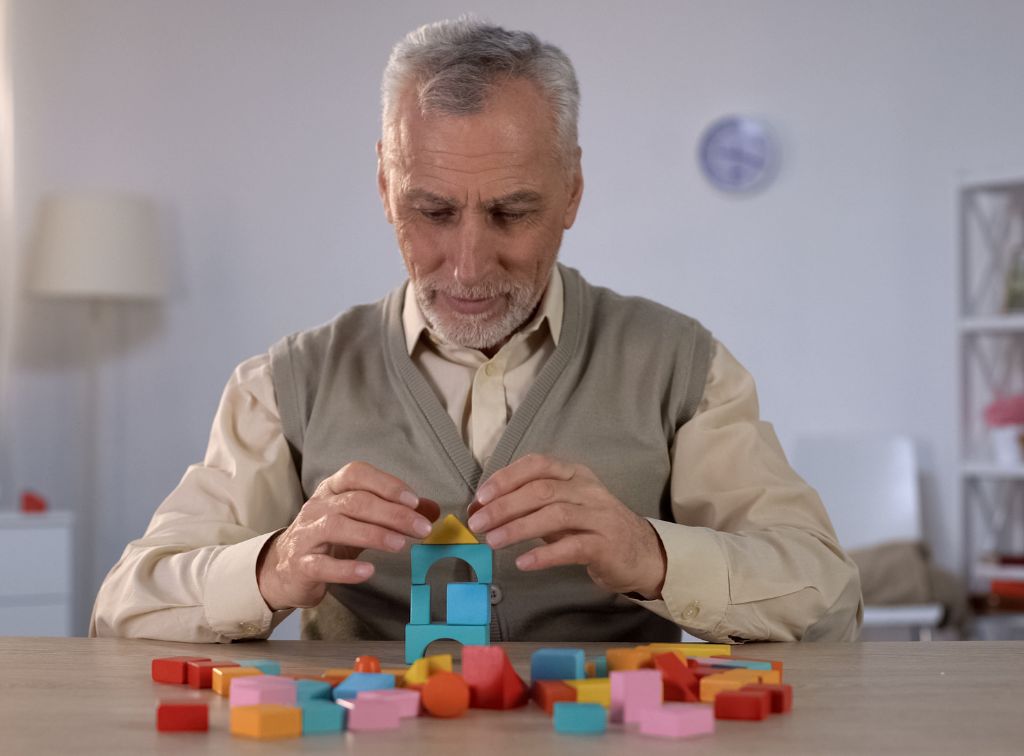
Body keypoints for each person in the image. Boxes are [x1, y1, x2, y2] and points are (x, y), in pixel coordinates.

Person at [91, 18, 862, 644]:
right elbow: (124, 606)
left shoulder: (682, 368)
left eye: (511, 212)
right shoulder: (284, 384)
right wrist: (270, 569)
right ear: (386, 189)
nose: (466, 265)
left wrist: (651, 555)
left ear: (572, 192)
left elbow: (828, 598)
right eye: (432, 211)